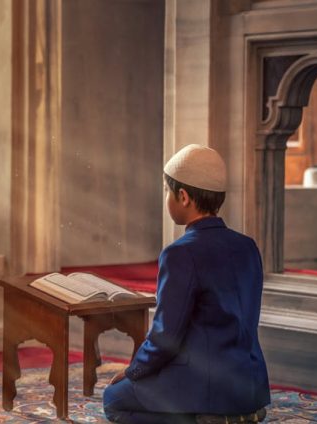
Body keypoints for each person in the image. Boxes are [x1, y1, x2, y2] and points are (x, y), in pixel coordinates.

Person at [102, 144, 270, 424]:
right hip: (248, 387)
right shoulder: (247, 246)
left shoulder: (180, 253)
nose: (166, 198)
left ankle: (207, 419)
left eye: (167, 191)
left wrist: (134, 372)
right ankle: (240, 416)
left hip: (204, 384)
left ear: (183, 197)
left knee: (114, 401)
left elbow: (166, 338)